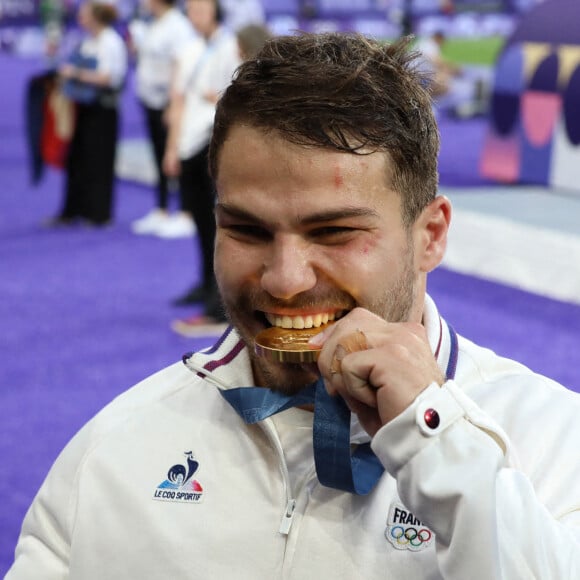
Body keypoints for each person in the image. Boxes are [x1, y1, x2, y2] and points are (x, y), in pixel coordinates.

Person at [8, 32, 580, 579]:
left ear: (429, 235)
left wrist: (438, 441)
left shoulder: (552, 444)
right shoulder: (117, 448)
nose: (284, 281)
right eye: (247, 230)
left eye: (332, 232)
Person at [163, 0, 240, 323]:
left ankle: (219, 299)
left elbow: (239, 96)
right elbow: (178, 101)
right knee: (198, 218)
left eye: (201, 9)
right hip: (188, 144)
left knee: (216, 223)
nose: (194, 15)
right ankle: (206, 282)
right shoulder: (191, 49)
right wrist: (171, 148)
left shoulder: (229, 47)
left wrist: (220, 100)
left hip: (212, 141)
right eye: (191, 10)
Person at [48, 0, 127, 227]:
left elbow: (108, 77)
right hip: (83, 106)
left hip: (103, 108)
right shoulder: (87, 40)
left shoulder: (111, 42)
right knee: (77, 159)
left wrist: (75, 74)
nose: (80, 16)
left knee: (99, 160)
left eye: (84, 12)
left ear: (96, 15)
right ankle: (73, 209)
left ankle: (99, 213)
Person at [129, 0, 194, 236]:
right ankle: (162, 208)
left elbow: (183, 66)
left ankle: (187, 211)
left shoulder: (178, 26)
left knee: (178, 156)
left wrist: (173, 104)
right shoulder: (153, 24)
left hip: (170, 103)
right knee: (158, 155)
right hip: (150, 99)